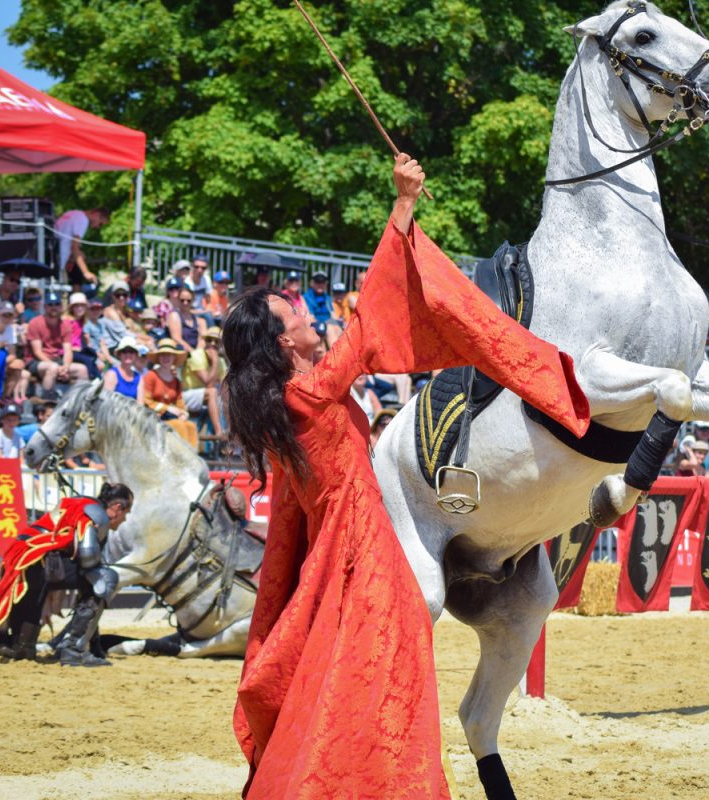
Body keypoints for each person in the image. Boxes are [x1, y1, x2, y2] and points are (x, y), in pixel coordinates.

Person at [225, 154, 589, 799]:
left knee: (354, 674)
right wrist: (401, 207)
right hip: (365, 548)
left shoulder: (284, 403)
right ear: (284, 345)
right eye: (296, 315)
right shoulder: (306, 394)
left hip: (341, 549)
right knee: (387, 671)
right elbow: (369, 325)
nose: (308, 313)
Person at [0, 483, 134, 667]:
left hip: (29, 566)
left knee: (21, 649)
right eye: (125, 513)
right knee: (105, 578)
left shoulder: (80, 504)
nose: (123, 520)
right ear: (116, 508)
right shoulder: (96, 513)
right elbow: (88, 558)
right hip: (36, 566)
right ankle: (74, 650)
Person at [26, 291, 88, 392]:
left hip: (57, 360)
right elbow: (37, 352)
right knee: (53, 368)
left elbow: (68, 351)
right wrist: (57, 367)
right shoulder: (35, 322)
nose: (54, 307)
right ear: (45, 306)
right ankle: (46, 401)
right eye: (50, 304)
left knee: (82, 369)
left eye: (57, 304)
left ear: (61, 306)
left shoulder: (65, 325)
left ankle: (81, 403)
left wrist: (66, 367)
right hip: (36, 361)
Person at [181, 326, 226, 440]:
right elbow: (208, 384)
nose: (212, 344)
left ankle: (233, 433)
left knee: (229, 394)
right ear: (204, 342)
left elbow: (225, 384)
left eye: (216, 341)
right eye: (209, 340)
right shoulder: (196, 355)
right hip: (186, 395)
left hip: (203, 396)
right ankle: (219, 432)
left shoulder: (220, 360)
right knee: (212, 392)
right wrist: (215, 361)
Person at [55, 207, 110, 293]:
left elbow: (67, 240)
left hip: (53, 258)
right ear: (97, 214)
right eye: (100, 224)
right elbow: (75, 247)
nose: (97, 227)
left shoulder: (72, 213)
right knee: (78, 271)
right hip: (57, 264)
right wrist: (86, 272)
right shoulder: (82, 219)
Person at [142, 338, 188, 420]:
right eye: (163, 354)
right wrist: (166, 408)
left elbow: (180, 404)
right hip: (152, 419)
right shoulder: (150, 376)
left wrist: (183, 414)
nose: (165, 357)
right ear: (158, 357)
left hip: (171, 418)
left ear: (174, 357)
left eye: (169, 354)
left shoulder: (176, 381)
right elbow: (146, 401)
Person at [103, 336, 145, 401]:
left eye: (131, 351)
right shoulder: (112, 374)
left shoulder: (139, 378)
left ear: (136, 355)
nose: (128, 354)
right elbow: (106, 401)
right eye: (124, 351)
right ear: (119, 355)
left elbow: (140, 404)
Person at [167, 286, 207, 353]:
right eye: (182, 300)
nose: (185, 303)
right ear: (178, 299)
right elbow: (176, 338)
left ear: (193, 300)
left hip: (197, 352)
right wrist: (192, 352)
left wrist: (198, 353)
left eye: (188, 300)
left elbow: (203, 338)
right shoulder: (174, 315)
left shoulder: (199, 320)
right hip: (182, 351)